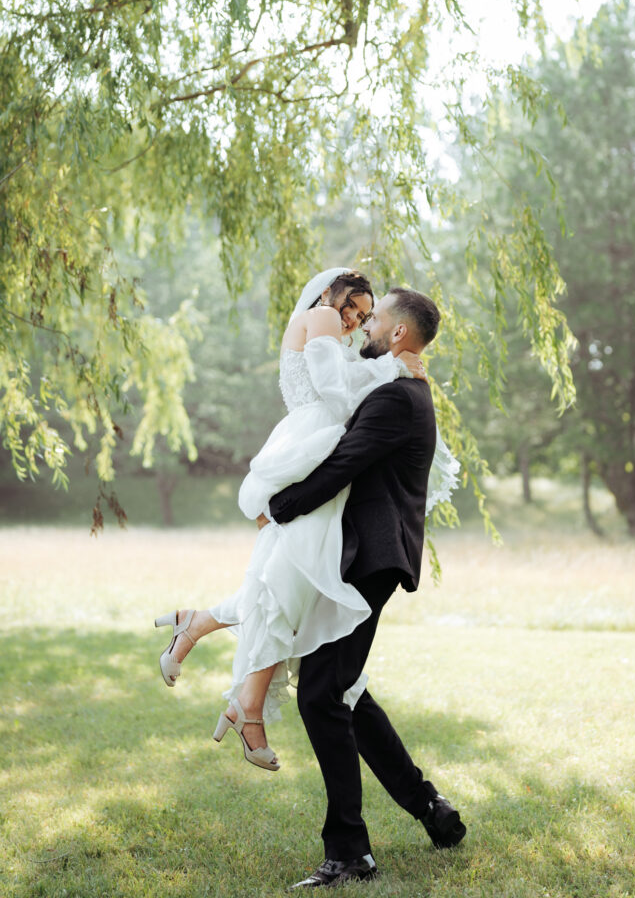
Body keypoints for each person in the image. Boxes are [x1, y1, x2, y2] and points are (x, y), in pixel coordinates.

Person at [154, 269, 437, 771]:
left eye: (364, 315)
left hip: (317, 453)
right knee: (288, 579)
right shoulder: (323, 316)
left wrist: (387, 371)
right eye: (353, 306)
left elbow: (344, 386)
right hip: (311, 453)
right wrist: (393, 370)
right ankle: (240, 692)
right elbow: (334, 391)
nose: (353, 320)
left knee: (290, 579)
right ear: (331, 293)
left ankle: (203, 635)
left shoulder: (333, 328)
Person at [265, 287, 466, 889]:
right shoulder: (399, 388)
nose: (366, 326)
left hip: (371, 558)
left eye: (375, 319)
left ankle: (351, 851)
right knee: (345, 689)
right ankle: (432, 810)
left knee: (321, 694)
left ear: (399, 334)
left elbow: (345, 461)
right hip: (368, 554)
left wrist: (280, 504)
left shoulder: (399, 399)